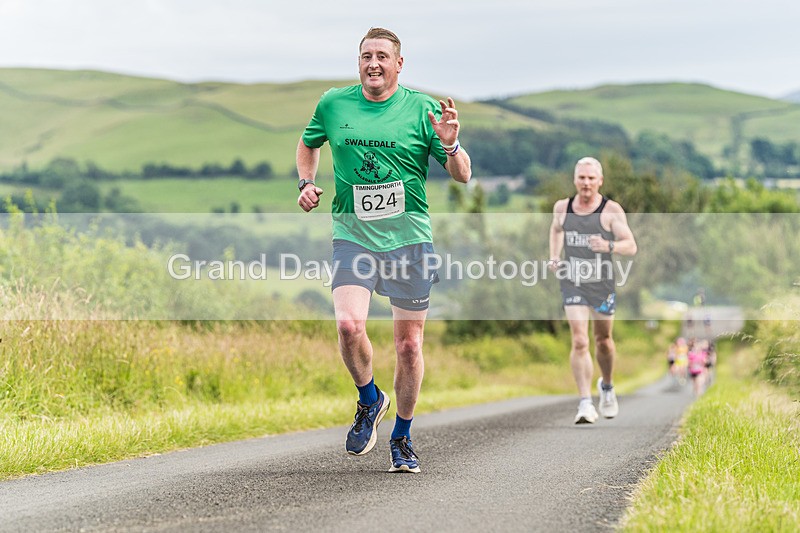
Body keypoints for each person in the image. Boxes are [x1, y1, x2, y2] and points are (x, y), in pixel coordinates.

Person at [296, 27, 471, 473]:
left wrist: (450, 143)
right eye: (366, 55)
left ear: (399, 63)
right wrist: (307, 182)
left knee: (409, 346)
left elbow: (462, 175)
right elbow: (308, 143)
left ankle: (403, 437)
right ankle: (370, 399)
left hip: (410, 240)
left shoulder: (423, 109)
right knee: (349, 323)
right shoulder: (334, 103)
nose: (373, 63)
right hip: (353, 234)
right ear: (359, 62)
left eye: (382, 56)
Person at [548, 157, 637, 424]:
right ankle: (585, 402)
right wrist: (554, 256)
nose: (586, 183)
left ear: (600, 181)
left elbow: (631, 245)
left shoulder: (611, 211)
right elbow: (556, 229)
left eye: (591, 178)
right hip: (573, 281)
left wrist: (608, 247)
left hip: (602, 284)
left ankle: (607, 387)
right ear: (575, 180)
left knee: (603, 342)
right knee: (579, 340)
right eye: (582, 178)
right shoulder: (562, 208)